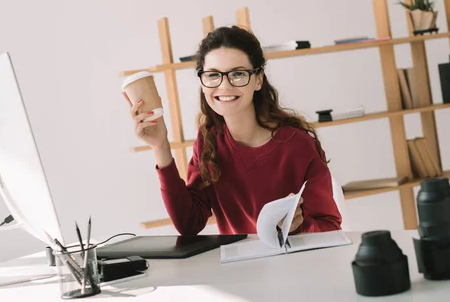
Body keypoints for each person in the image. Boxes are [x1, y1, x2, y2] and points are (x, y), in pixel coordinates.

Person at [123, 26, 342, 236]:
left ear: (258, 79)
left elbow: (330, 226)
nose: (224, 86)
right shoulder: (209, 140)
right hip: (238, 270)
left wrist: (297, 227)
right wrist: (160, 145)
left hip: (294, 268)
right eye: (213, 75)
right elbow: (189, 223)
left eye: (237, 74)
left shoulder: (297, 145)